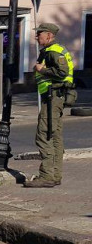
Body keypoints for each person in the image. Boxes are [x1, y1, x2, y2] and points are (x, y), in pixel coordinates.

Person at [26, 22, 74, 188]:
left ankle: (46, 176)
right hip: (55, 97)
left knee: (44, 135)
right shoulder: (53, 50)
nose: (37, 36)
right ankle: (55, 175)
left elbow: (62, 72)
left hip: (53, 97)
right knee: (54, 137)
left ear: (49, 35)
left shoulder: (53, 51)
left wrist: (41, 70)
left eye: (39, 33)